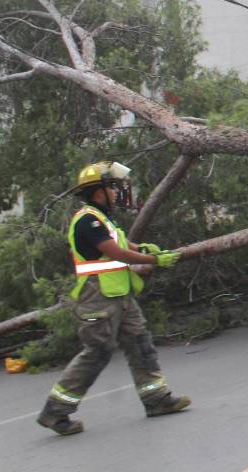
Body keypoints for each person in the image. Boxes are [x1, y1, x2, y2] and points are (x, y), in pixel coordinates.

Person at [37, 161, 189, 436]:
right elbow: (115, 253)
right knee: (97, 351)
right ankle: (55, 412)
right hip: (97, 297)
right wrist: (154, 259)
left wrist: (142, 247)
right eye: (114, 188)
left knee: (140, 343)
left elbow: (121, 243)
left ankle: (156, 400)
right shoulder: (87, 220)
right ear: (98, 191)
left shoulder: (102, 218)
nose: (118, 193)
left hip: (119, 294)